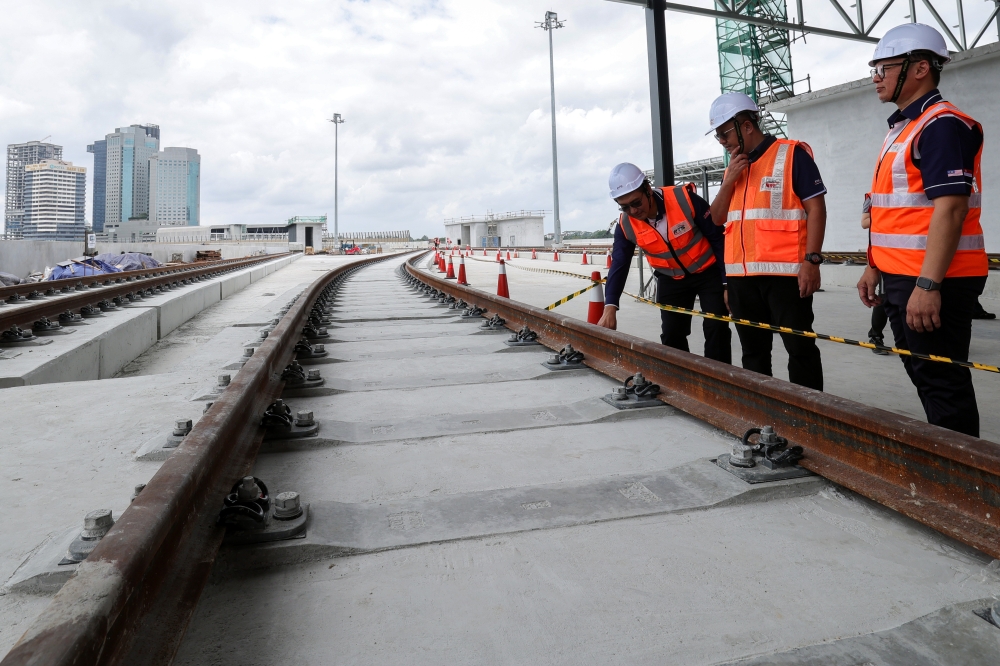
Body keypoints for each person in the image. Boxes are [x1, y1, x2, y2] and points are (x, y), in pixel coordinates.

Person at [857, 23, 988, 437]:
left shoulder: (941, 125)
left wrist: (929, 286)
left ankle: (966, 481)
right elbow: (890, 211)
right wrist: (873, 264)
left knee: (942, 384)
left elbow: (950, 209)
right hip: (903, 276)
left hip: (935, 280)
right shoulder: (902, 129)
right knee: (926, 377)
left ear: (919, 69)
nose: (876, 76)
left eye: (884, 67)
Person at [708, 93, 828, 390]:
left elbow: (817, 209)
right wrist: (728, 182)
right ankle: (763, 413)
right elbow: (717, 218)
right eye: (717, 136)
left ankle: (809, 413)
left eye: (724, 133)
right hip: (742, 280)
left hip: (786, 277)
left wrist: (812, 261)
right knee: (753, 353)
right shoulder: (733, 168)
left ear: (746, 126)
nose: (721, 141)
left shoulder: (791, 155)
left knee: (800, 350)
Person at [597, 163, 731, 363]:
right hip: (671, 279)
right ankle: (680, 380)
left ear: (648, 190)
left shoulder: (683, 200)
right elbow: (619, 264)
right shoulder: (625, 225)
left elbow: (718, 239)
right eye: (625, 207)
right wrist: (610, 306)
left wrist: (727, 283)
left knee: (716, 328)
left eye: (636, 203)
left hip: (708, 273)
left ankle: (720, 382)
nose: (633, 211)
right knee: (671, 334)